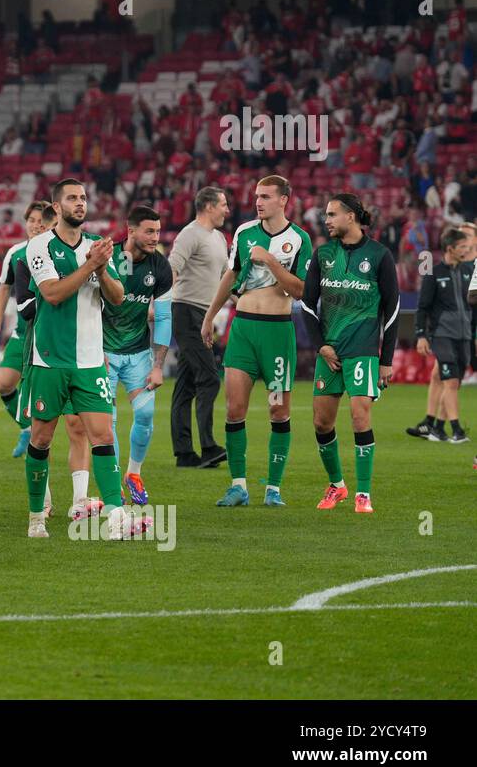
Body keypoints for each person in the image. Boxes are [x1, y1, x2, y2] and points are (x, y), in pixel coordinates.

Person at [15, 178, 147, 540]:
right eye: (72, 198)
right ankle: (36, 517)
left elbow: (118, 297)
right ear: (56, 208)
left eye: (84, 198)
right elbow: (53, 293)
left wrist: (102, 269)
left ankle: (117, 515)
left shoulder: (97, 248)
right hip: (50, 361)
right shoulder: (38, 247)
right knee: (41, 439)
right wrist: (91, 266)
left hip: (90, 360)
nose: (80, 203)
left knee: (102, 434)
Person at [201, 175, 313, 508]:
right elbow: (232, 275)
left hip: (277, 334)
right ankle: (238, 486)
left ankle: (273, 488)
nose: (258, 202)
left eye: (265, 196)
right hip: (244, 330)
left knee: (278, 412)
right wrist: (209, 317)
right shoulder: (245, 233)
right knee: (235, 409)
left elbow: (301, 290)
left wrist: (273, 262)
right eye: (256, 196)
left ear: (284, 200)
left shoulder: (300, 239)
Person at [302, 194, 400, 515]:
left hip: (364, 349)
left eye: (332, 214)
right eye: (325, 214)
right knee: (321, 422)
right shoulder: (323, 254)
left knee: (360, 417)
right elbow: (306, 304)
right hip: (329, 351)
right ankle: (337, 485)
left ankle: (364, 494)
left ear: (351, 217)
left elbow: (393, 309)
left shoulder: (379, 255)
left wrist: (386, 359)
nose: (326, 220)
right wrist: (321, 345)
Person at [102, 206, 173, 506]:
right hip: (103, 352)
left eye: (157, 231)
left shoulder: (161, 266)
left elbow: (165, 317)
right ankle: (113, 484)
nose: (154, 237)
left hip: (138, 353)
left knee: (144, 414)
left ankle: (134, 473)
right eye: (149, 231)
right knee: (108, 423)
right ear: (130, 230)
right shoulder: (109, 258)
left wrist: (159, 366)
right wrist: (93, 350)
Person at [168, 186, 231, 468]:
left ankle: (184, 453)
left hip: (204, 316)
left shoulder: (219, 238)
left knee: (186, 385)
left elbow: (223, 280)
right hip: (186, 312)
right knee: (209, 378)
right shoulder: (190, 234)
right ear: (208, 206)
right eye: (223, 204)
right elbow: (172, 268)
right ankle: (208, 447)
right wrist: (157, 304)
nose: (227, 210)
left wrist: (246, 299)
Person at [0, 201, 51, 458]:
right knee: (3, 384)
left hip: (49, 336)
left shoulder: (54, 252)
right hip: (21, 333)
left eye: (41, 221)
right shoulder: (15, 253)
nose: (36, 225)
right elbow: (4, 287)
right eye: (31, 220)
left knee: (43, 397)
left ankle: (42, 442)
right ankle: (26, 428)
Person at [414, 227, 473, 444]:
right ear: (450, 248)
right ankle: (457, 430)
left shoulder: (467, 272)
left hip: (464, 335)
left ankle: (436, 427)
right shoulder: (433, 273)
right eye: (463, 247)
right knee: (450, 381)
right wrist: (421, 335)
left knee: (452, 382)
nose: (467, 251)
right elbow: (423, 307)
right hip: (442, 334)